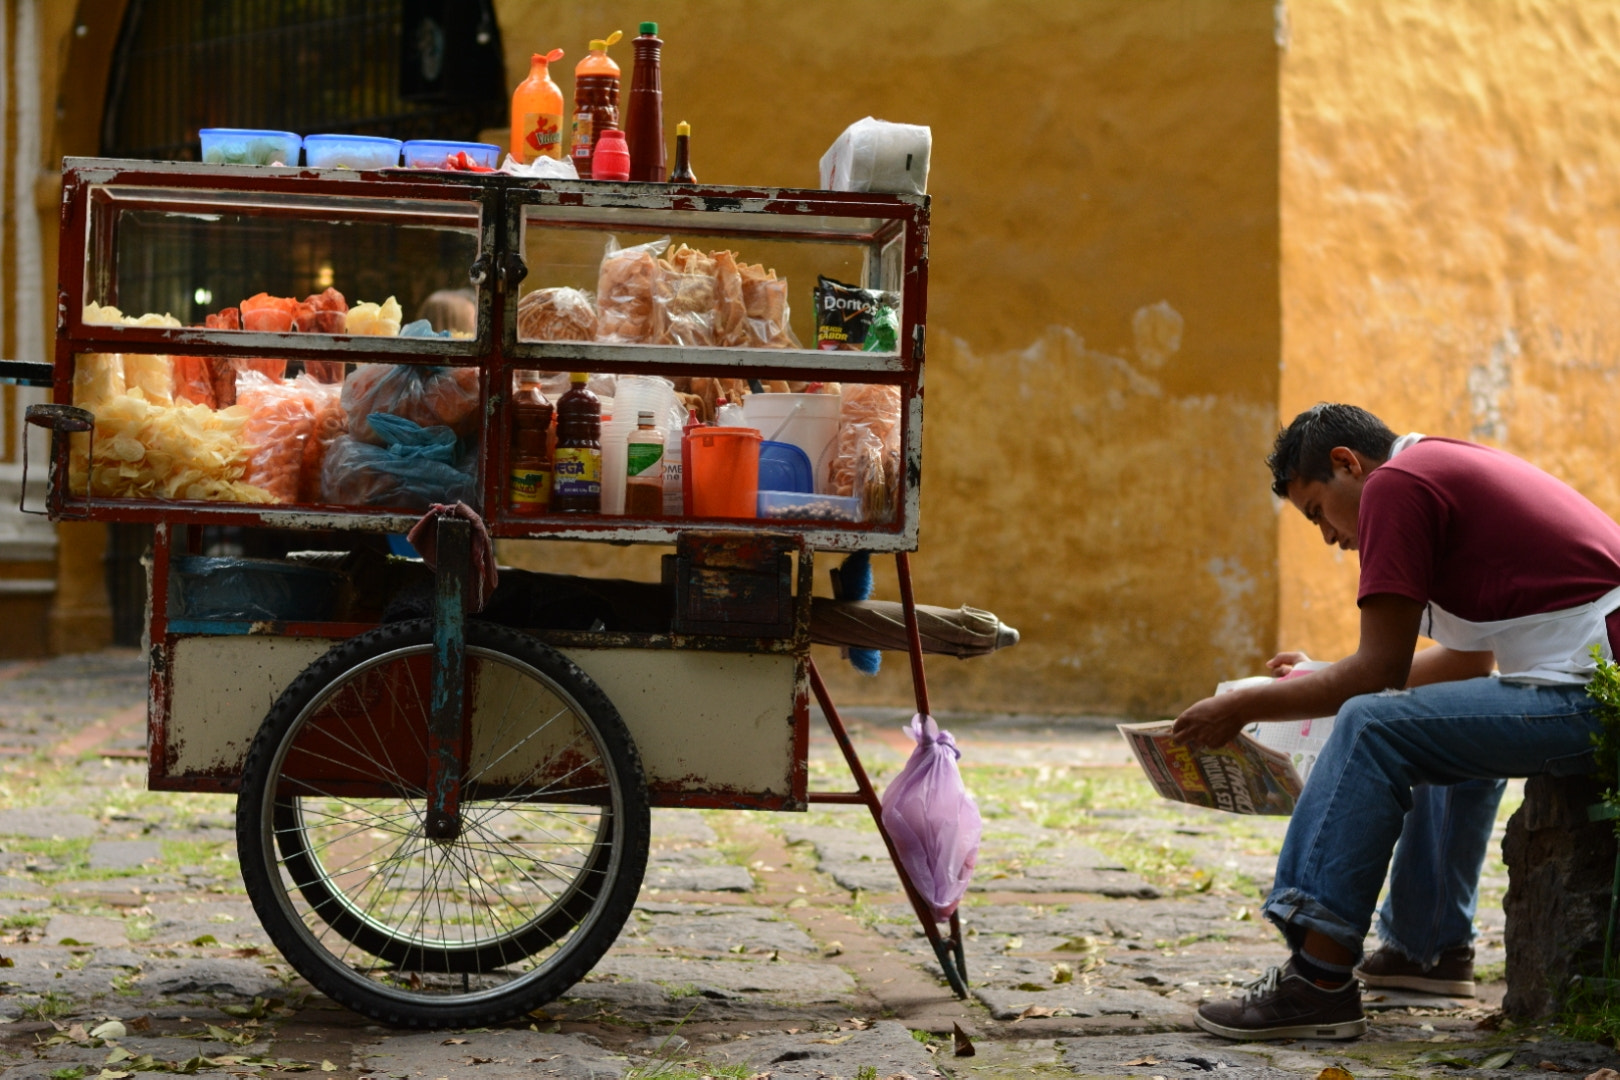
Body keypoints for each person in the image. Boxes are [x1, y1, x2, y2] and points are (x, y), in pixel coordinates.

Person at [1174, 404, 1620, 1041]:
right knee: (1422, 718)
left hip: (1596, 694)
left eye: (1316, 513)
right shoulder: (1432, 469)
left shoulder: (1397, 484)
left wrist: (1243, 705)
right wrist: (1321, 672)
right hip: (1587, 686)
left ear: (1346, 464)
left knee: (1372, 725)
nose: (1328, 537)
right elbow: (1467, 661)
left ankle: (1316, 979)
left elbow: (1377, 673)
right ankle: (1426, 950)